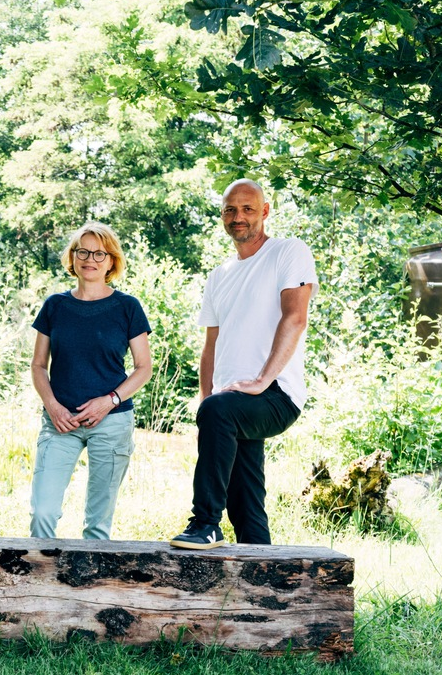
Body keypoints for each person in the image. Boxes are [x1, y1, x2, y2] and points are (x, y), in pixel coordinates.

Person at [170, 178, 317, 549]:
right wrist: (206, 401)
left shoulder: (288, 252)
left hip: (275, 394)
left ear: (264, 212)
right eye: (231, 209)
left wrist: (262, 380)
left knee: (222, 413)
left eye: (248, 208)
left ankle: (204, 523)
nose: (239, 216)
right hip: (231, 400)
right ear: (222, 215)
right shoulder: (219, 276)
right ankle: (263, 576)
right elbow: (211, 345)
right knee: (246, 506)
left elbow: (295, 318)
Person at [29, 223, 153, 540]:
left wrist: (109, 400)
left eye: (99, 253)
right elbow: (39, 365)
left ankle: (90, 586)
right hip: (61, 422)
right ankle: (39, 584)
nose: (90, 259)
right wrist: (53, 407)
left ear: (111, 261)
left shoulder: (127, 307)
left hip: (112, 422)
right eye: (82, 251)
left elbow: (143, 368)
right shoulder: (55, 306)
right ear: (73, 257)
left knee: (98, 524)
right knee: (43, 511)